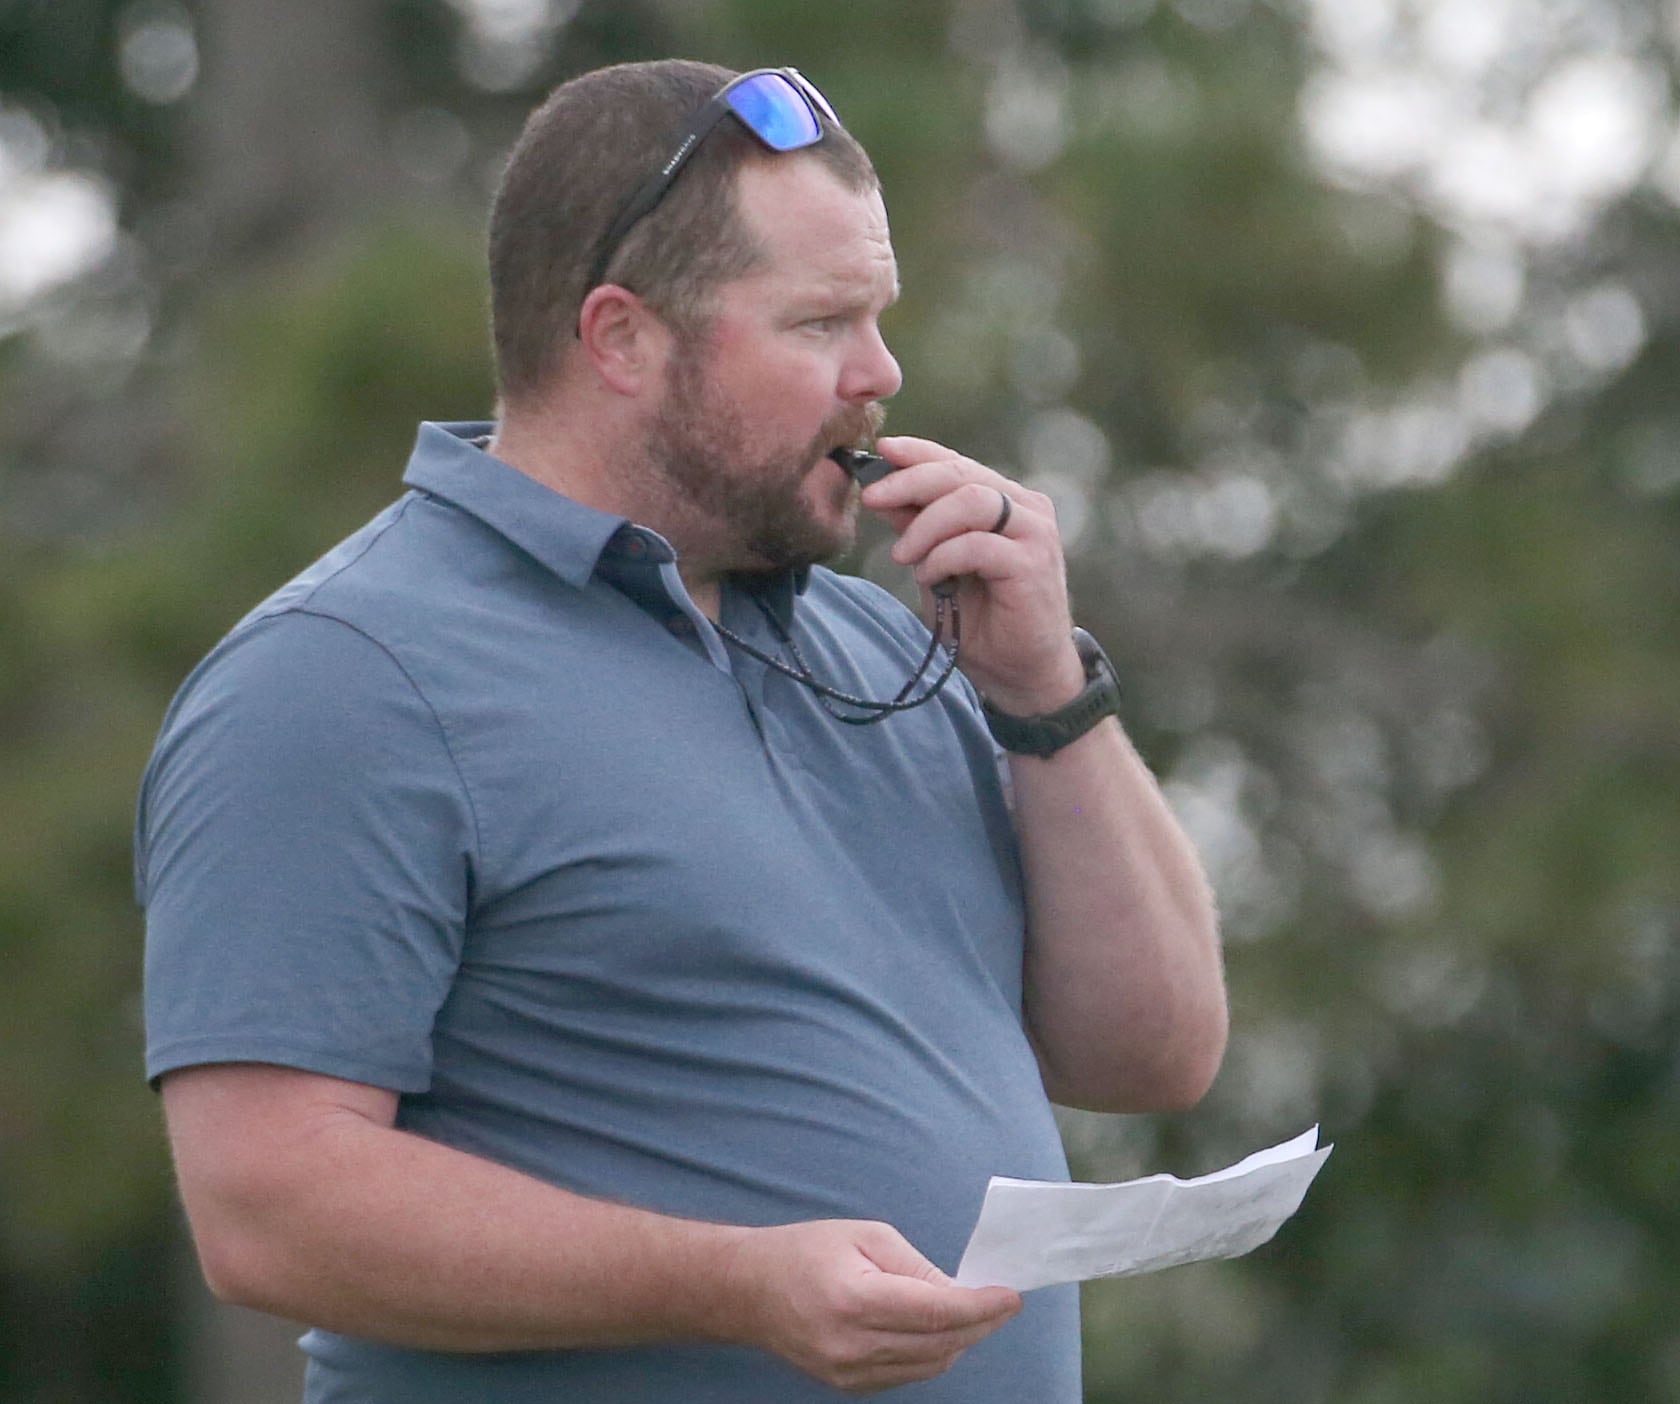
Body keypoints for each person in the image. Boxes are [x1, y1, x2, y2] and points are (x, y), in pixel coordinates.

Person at [137, 58, 1228, 1402]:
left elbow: (1152, 1055)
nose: (880, 373)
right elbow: (267, 1208)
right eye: (823, 323)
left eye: (879, 317)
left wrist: (1048, 694)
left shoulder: (892, 641)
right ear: (622, 340)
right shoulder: (345, 677)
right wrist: (736, 1283)